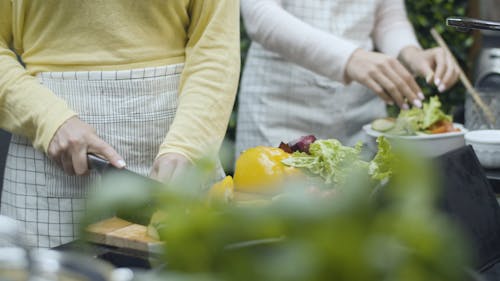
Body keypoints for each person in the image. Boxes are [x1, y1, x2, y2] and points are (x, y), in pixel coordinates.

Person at [0, 0, 240, 248]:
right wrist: (48, 119)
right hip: (50, 160)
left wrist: (188, 144)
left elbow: (215, 47)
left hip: (181, 156)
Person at [235, 0, 460, 157]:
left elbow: (389, 20)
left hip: (358, 118)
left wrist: (411, 53)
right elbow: (259, 14)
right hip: (280, 110)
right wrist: (351, 58)